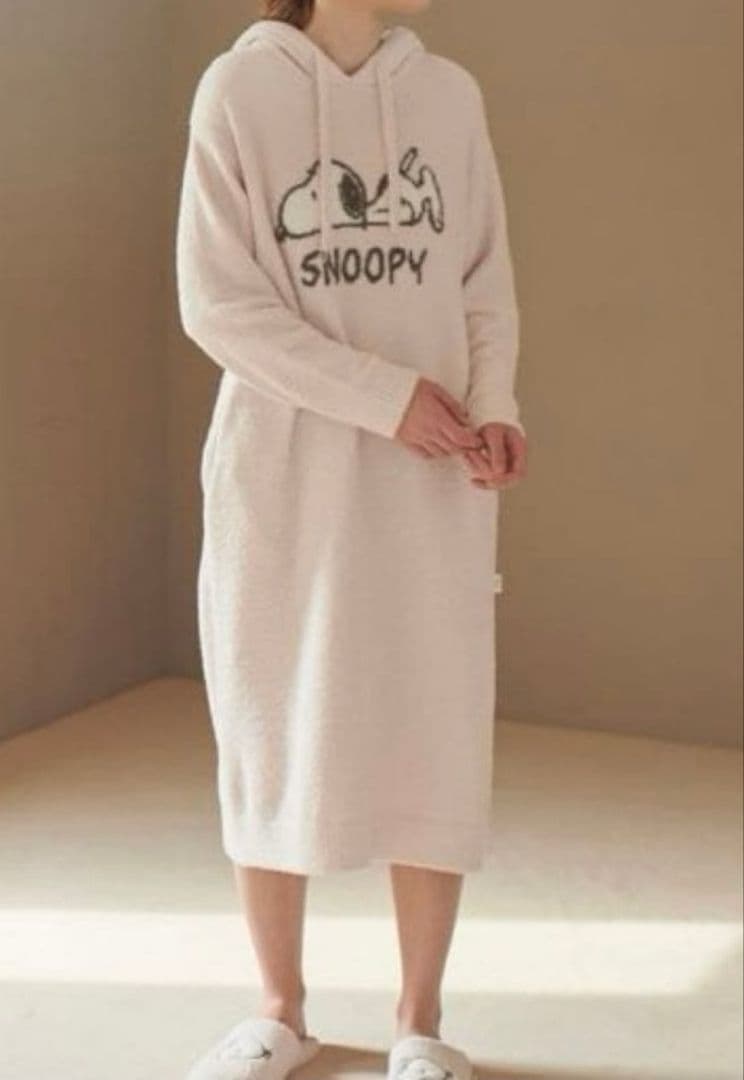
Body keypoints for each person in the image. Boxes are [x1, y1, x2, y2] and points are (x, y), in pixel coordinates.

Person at [175, 0, 528, 1076]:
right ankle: (280, 1010)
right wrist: (385, 397)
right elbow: (217, 305)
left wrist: (495, 405)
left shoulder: (448, 97)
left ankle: (420, 1023)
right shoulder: (237, 92)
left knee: (432, 717)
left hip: (431, 469)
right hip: (282, 467)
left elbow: (483, 279)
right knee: (270, 712)